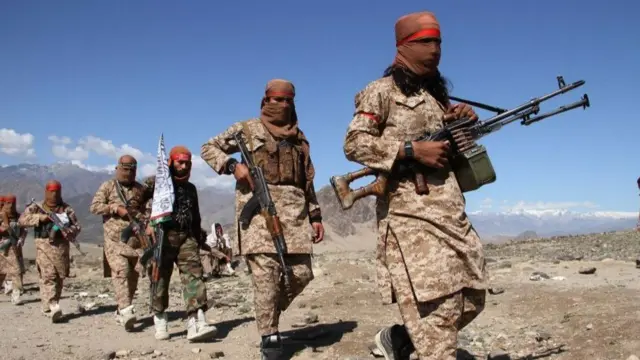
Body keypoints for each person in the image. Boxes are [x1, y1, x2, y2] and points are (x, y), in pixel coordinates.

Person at [341, 12, 488, 360]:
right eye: (425, 42)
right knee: (437, 309)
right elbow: (354, 143)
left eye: (438, 42)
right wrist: (410, 149)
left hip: (450, 212)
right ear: (403, 47)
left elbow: (449, 152)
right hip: (409, 215)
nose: (434, 49)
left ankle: (400, 338)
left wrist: (460, 125)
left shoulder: (437, 99)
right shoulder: (380, 93)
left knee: (472, 296)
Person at [201, 78, 325, 359]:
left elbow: (307, 181)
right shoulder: (246, 129)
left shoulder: (300, 138)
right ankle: (269, 335)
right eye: (276, 99)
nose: (282, 105)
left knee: (302, 273)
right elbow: (208, 147)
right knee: (266, 276)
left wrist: (315, 214)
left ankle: (266, 312)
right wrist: (233, 165)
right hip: (258, 213)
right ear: (265, 100)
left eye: (288, 100)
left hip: (294, 214)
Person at [144, 145, 218, 342]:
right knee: (159, 278)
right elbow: (134, 204)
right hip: (162, 238)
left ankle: (197, 320)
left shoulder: (191, 188)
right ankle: (159, 317)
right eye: (180, 162)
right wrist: (147, 222)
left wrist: (198, 239)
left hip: (186, 238)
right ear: (171, 162)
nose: (183, 166)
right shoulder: (154, 184)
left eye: (187, 163)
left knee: (194, 276)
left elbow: (196, 216)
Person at [89, 155, 151, 331]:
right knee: (121, 271)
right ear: (117, 168)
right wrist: (114, 208)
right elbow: (94, 207)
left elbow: (148, 209)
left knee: (133, 276)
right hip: (114, 240)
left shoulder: (140, 189)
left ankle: (121, 309)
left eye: (131, 170)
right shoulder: (108, 186)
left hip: (135, 241)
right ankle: (125, 310)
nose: (128, 173)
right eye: (124, 169)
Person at [18, 180, 81, 322]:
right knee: (48, 275)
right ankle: (51, 306)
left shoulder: (66, 209)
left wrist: (69, 231)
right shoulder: (37, 207)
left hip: (61, 247)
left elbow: (77, 225)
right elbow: (22, 220)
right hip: (43, 245)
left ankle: (50, 305)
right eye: (51, 191)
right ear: (46, 191)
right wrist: (42, 218)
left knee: (60, 276)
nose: (54, 194)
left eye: (57, 191)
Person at [0, 193, 27, 305]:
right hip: (2, 247)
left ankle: (15, 295)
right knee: (1, 273)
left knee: (16, 271)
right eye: (8, 203)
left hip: (15, 247)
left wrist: (21, 238)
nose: (11, 206)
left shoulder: (19, 216)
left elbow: (24, 229)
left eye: (13, 203)